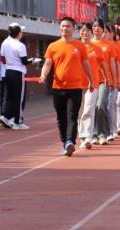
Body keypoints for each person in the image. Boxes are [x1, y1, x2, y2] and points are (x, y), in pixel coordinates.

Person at [39, 17, 95, 156]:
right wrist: (43, 75)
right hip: (58, 87)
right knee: (61, 117)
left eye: (68, 26)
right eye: (63, 26)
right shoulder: (53, 46)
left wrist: (91, 80)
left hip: (75, 87)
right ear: (60, 29)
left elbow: (86, 64)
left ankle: (70, 141)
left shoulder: (79, 46)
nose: (65, 28)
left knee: (72, 115)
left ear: (73, 29)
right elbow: (48, 63)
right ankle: (64, 142)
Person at [78, 23, 109, 149]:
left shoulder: (96, 48)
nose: (85, 33)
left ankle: (87, 137)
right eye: (82, 30)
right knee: (80, 111)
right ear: (79, 32)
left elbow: (103, 65)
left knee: (89, 109)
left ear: (91, 32)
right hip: (77, 83)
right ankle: (82, 136)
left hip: (93, 83)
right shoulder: (76, 46)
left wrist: (107, 78)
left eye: (87, 30)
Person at [0, 23, 35, 130]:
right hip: (18, 72)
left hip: (7, 71)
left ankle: (6, 116)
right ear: (19, 33)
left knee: (10, 96)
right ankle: (18, 121)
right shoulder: (20, 45)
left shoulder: (4, 43)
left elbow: (3, 58)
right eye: (21, 32)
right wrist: (32, 60)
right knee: (19, 98)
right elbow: (24, 61)